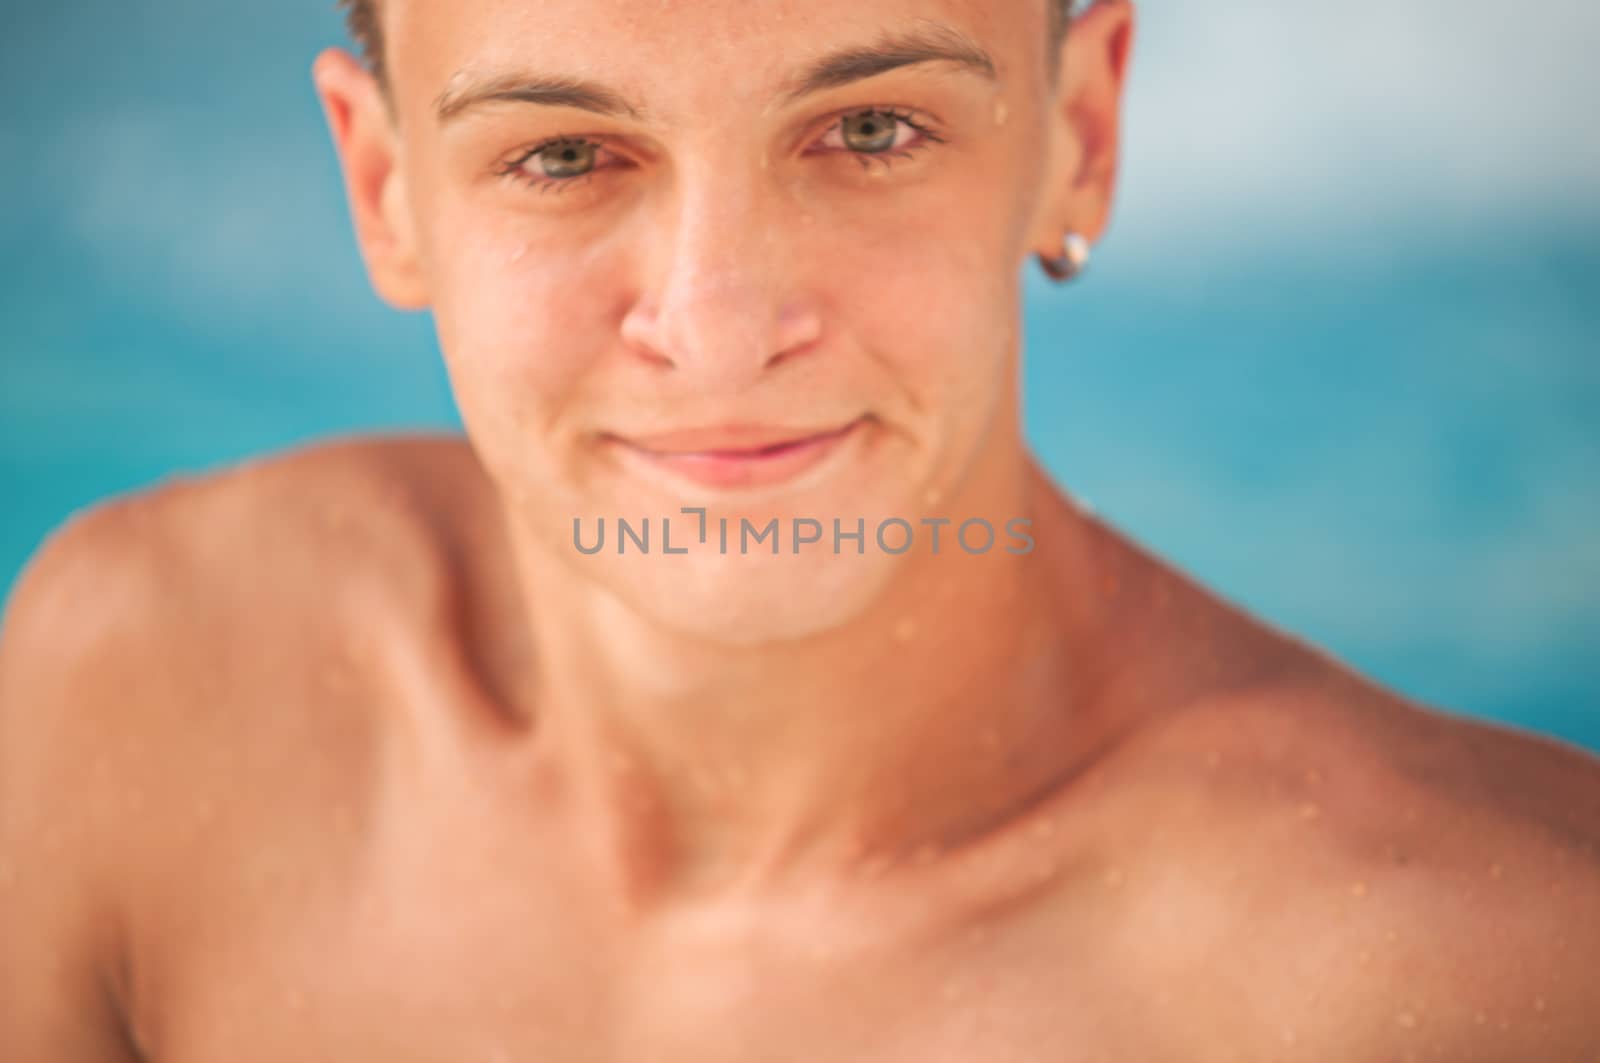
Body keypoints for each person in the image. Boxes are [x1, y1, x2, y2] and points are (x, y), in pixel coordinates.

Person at [2, 0, 1597, 1058]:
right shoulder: (145, 689)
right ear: (387, 189)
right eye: (563, 154)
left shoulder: (1478, 974)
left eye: (872, 130)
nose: (719, 327)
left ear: (1080, 135)